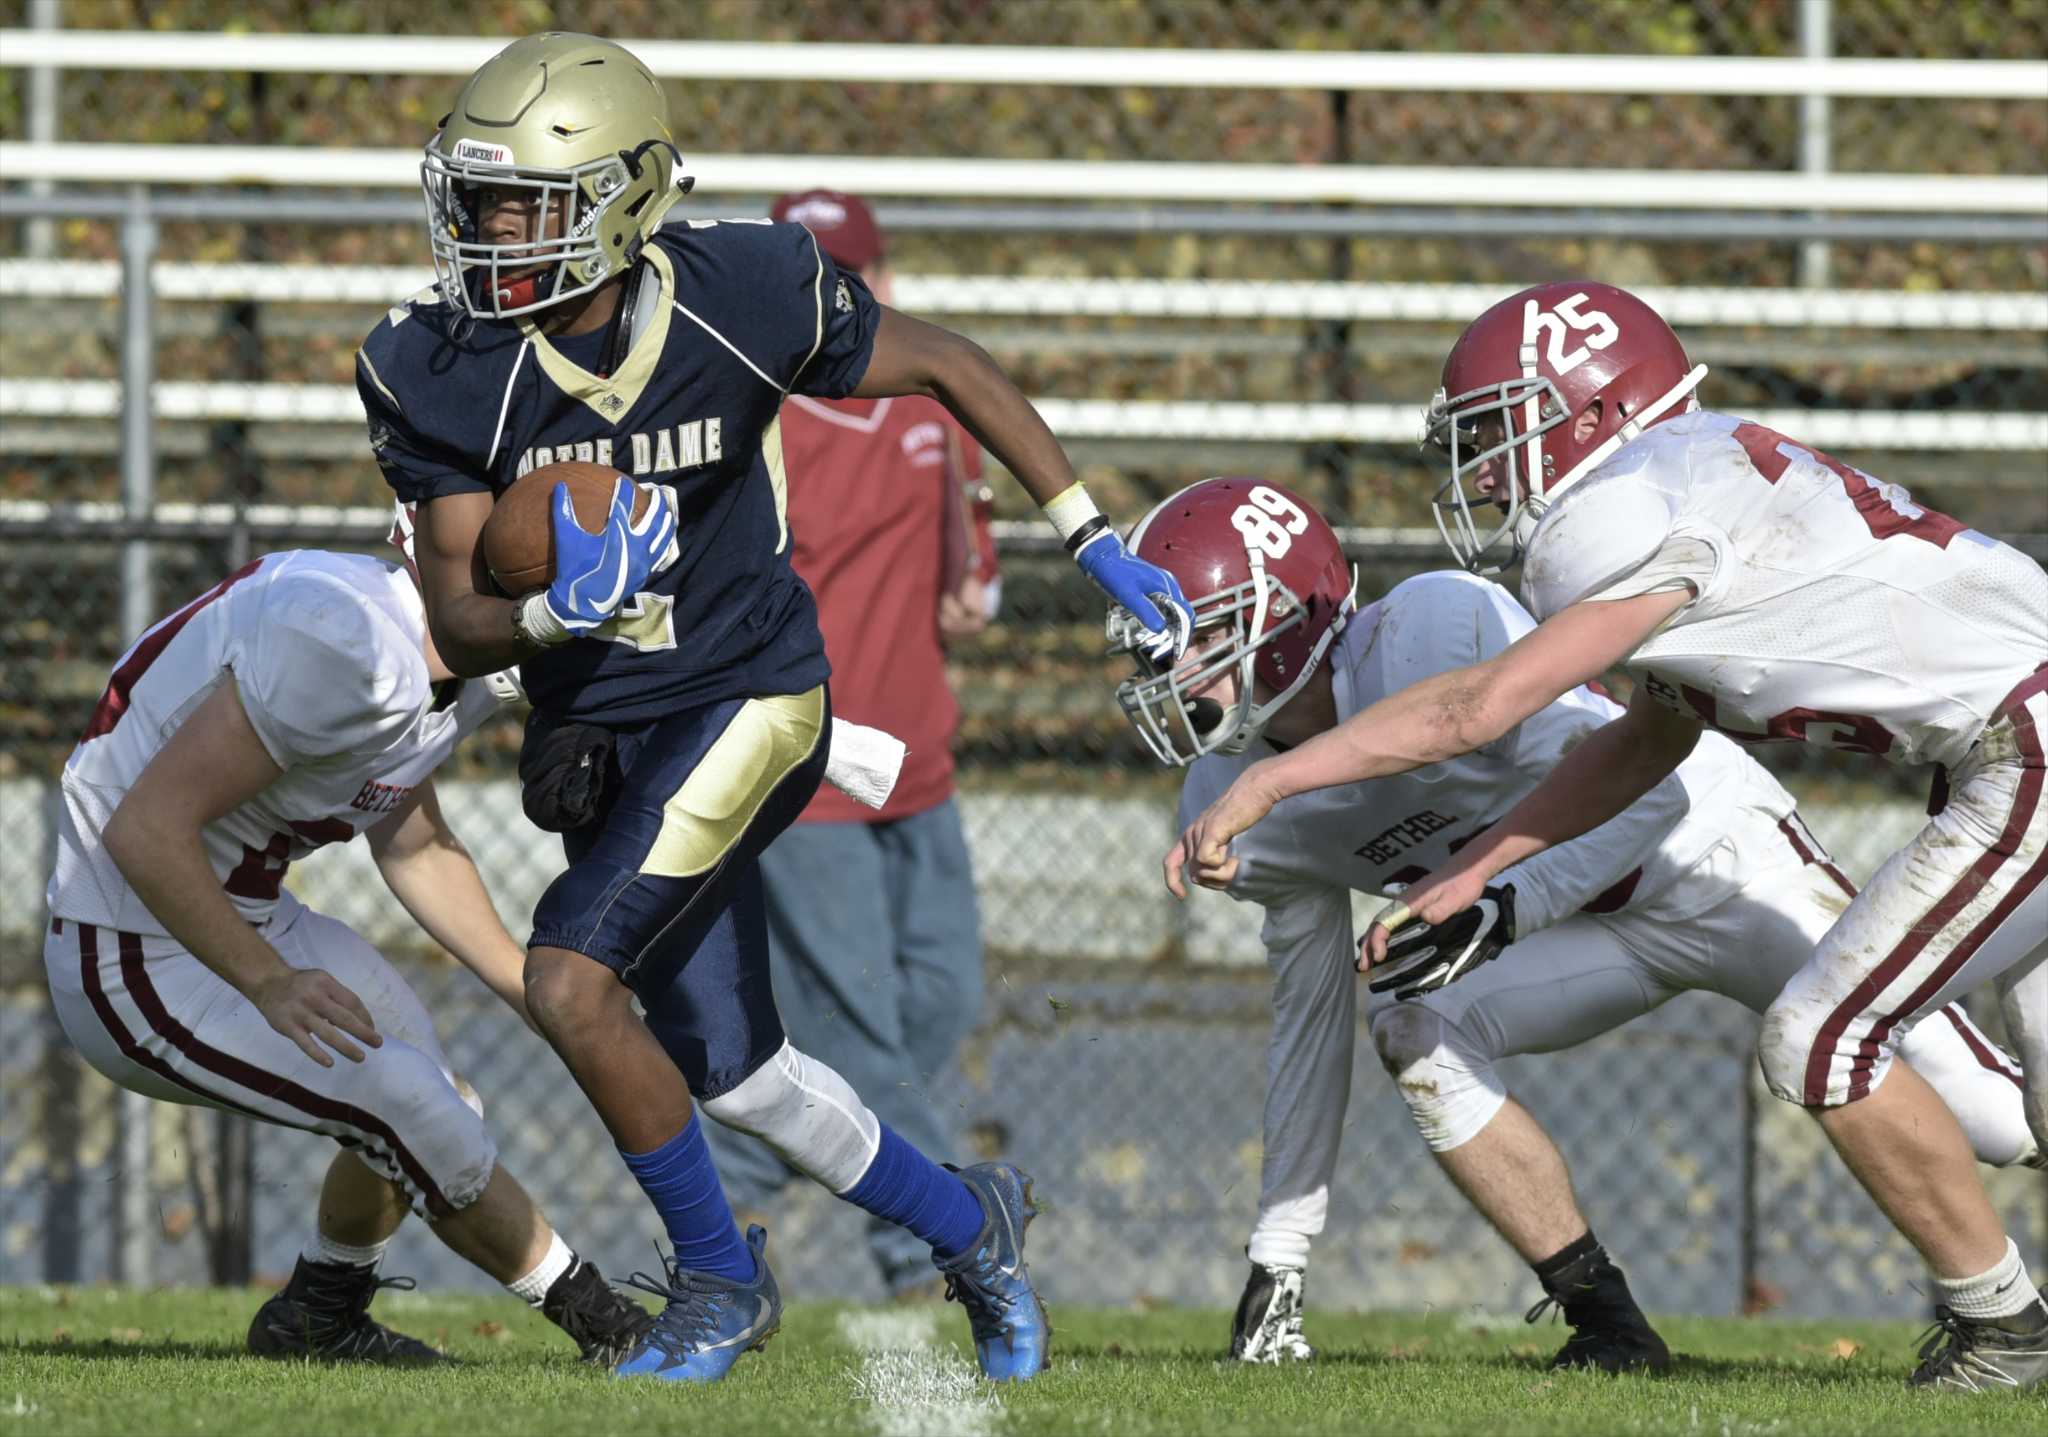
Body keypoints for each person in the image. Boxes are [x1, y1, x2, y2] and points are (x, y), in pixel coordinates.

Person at [358, 33, 1190, 1383]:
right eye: (480, 201)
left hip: (755, 691)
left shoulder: (739, 290)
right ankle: (970, 1220)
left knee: (568, 981)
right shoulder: (431, 363)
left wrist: (1090, 533)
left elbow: (951, 366)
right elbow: (458, 612)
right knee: (737, 1070)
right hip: (606, 728)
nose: (492, 232)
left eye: (527, 204)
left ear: (622, 200)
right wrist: (557, 614)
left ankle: (718, 1282)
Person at [1171, 283, 2048, 1392]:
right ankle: (1619, 1318)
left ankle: (2003, 1329)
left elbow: (1471, 709)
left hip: (2004, 750)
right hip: (1996, 742)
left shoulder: (1606, 520)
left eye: (1497, 431)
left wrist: (1274, 782)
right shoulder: (1693, 474)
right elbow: (1648, 739)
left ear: (1588, 412)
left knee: (1827, 1044)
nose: (1482, 471)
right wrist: (1481, 873)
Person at [41, 546, 653, 1368]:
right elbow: (144, 831)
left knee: (444, 1104)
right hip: (128, 941)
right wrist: (267, 979)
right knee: (413, 1108)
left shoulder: (446, 666)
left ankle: (317, 1315)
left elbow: (414, 845)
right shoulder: (347, 640)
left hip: (239, 908)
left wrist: (528, 989)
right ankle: (608, 1325)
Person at [706, 188, 1001, 1300]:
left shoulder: (934, 406)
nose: (839, 297)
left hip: (921, 759)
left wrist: (975, 585)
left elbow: (965, 580)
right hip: (805, 761)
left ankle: (744, 1171)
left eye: (853, 275)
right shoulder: (748, 417)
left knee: (941, 995)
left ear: (881, 283)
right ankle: (929, 1250)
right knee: (866, 1016)